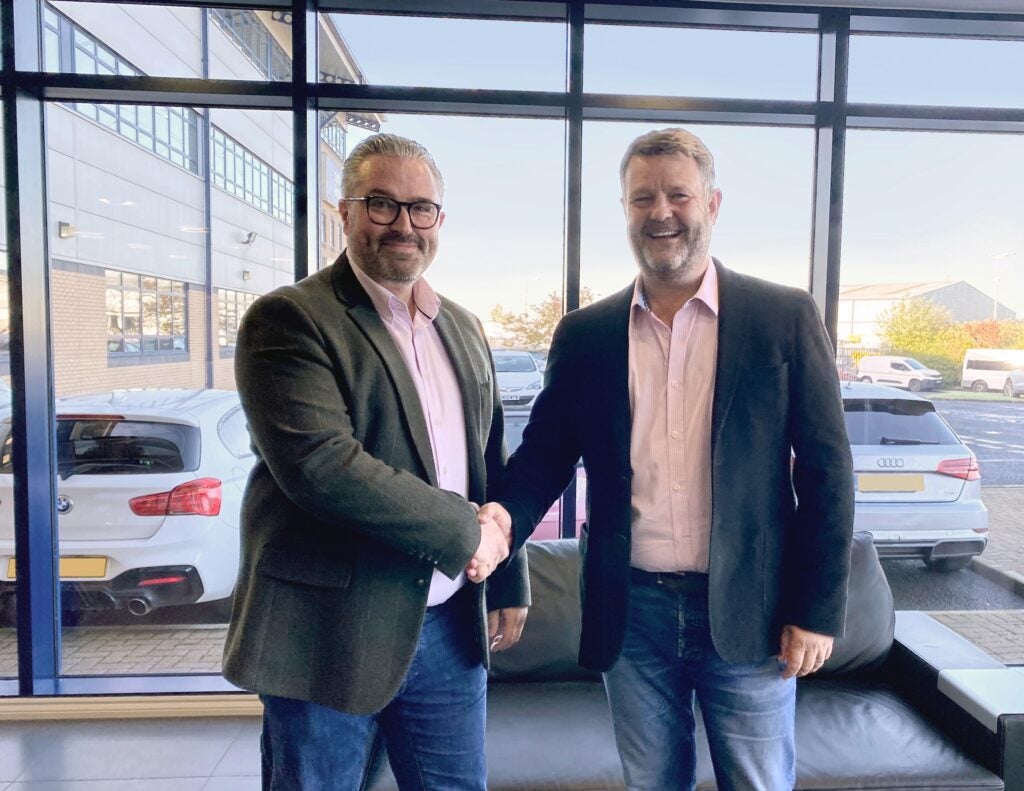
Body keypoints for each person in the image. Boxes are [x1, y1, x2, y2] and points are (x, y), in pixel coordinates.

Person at [479, 127, 854, 790]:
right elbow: (545, 454)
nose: (661, 212)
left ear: (712, 203)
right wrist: (501, 523)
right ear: (624, 209)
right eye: (642, 198)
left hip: (753, 609)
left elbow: (828, 472)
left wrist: (817, 609)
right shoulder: (586, 334)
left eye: (678, 195)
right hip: (632, 614)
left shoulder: (784, 317)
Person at [223, 132, 528, 791]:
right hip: (327, 633)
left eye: (421, 208)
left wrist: (507, 578)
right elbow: (323, 466)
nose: (403, 225)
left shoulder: (464, 327)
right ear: (345, 212)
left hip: (448, 626)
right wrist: (468, 533)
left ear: (439, 219)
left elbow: (488, 460)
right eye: (382, 204)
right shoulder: (290, 319)